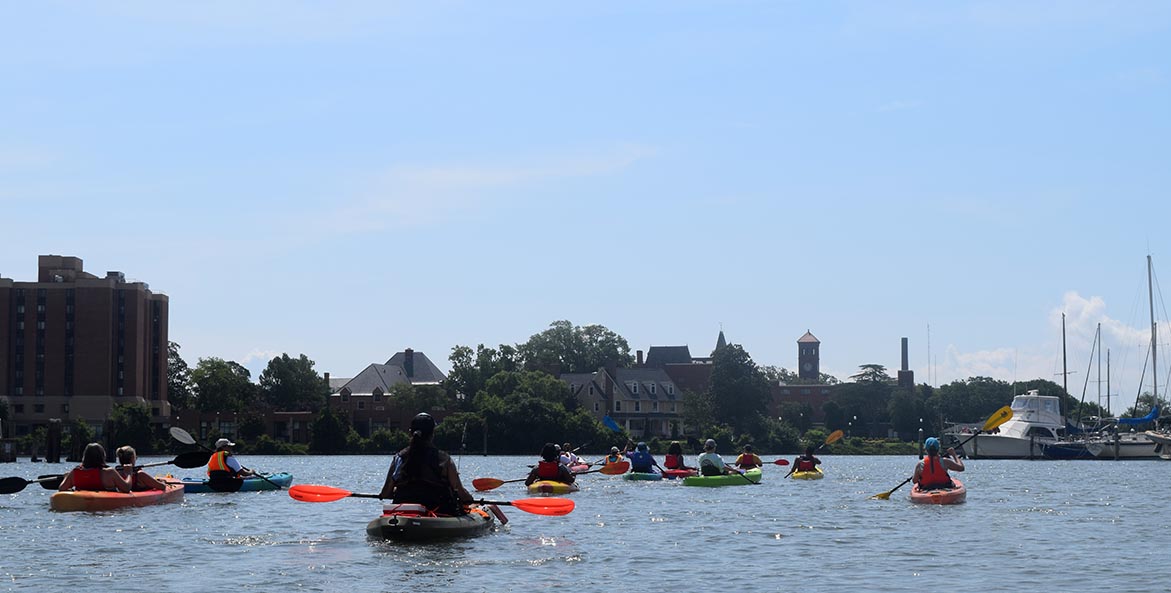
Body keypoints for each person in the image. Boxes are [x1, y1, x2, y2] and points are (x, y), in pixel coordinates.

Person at [378, 412, 474, 516]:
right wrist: (469, 499)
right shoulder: (444, 459)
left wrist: (398, 491)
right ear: (432, 434)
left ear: (410, 432)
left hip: (403, 512)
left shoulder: (399, 458)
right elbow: (460, 493)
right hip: (439, 512)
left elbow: (385, 494)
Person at [58, 442, 131, 493]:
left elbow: (61, 488)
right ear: (102, 456)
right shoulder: (109, 472)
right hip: (104, 506)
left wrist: (66, 477)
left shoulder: (75, 472)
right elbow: (126, 488)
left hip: (82, 508)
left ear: (85, 457)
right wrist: (128, 473)